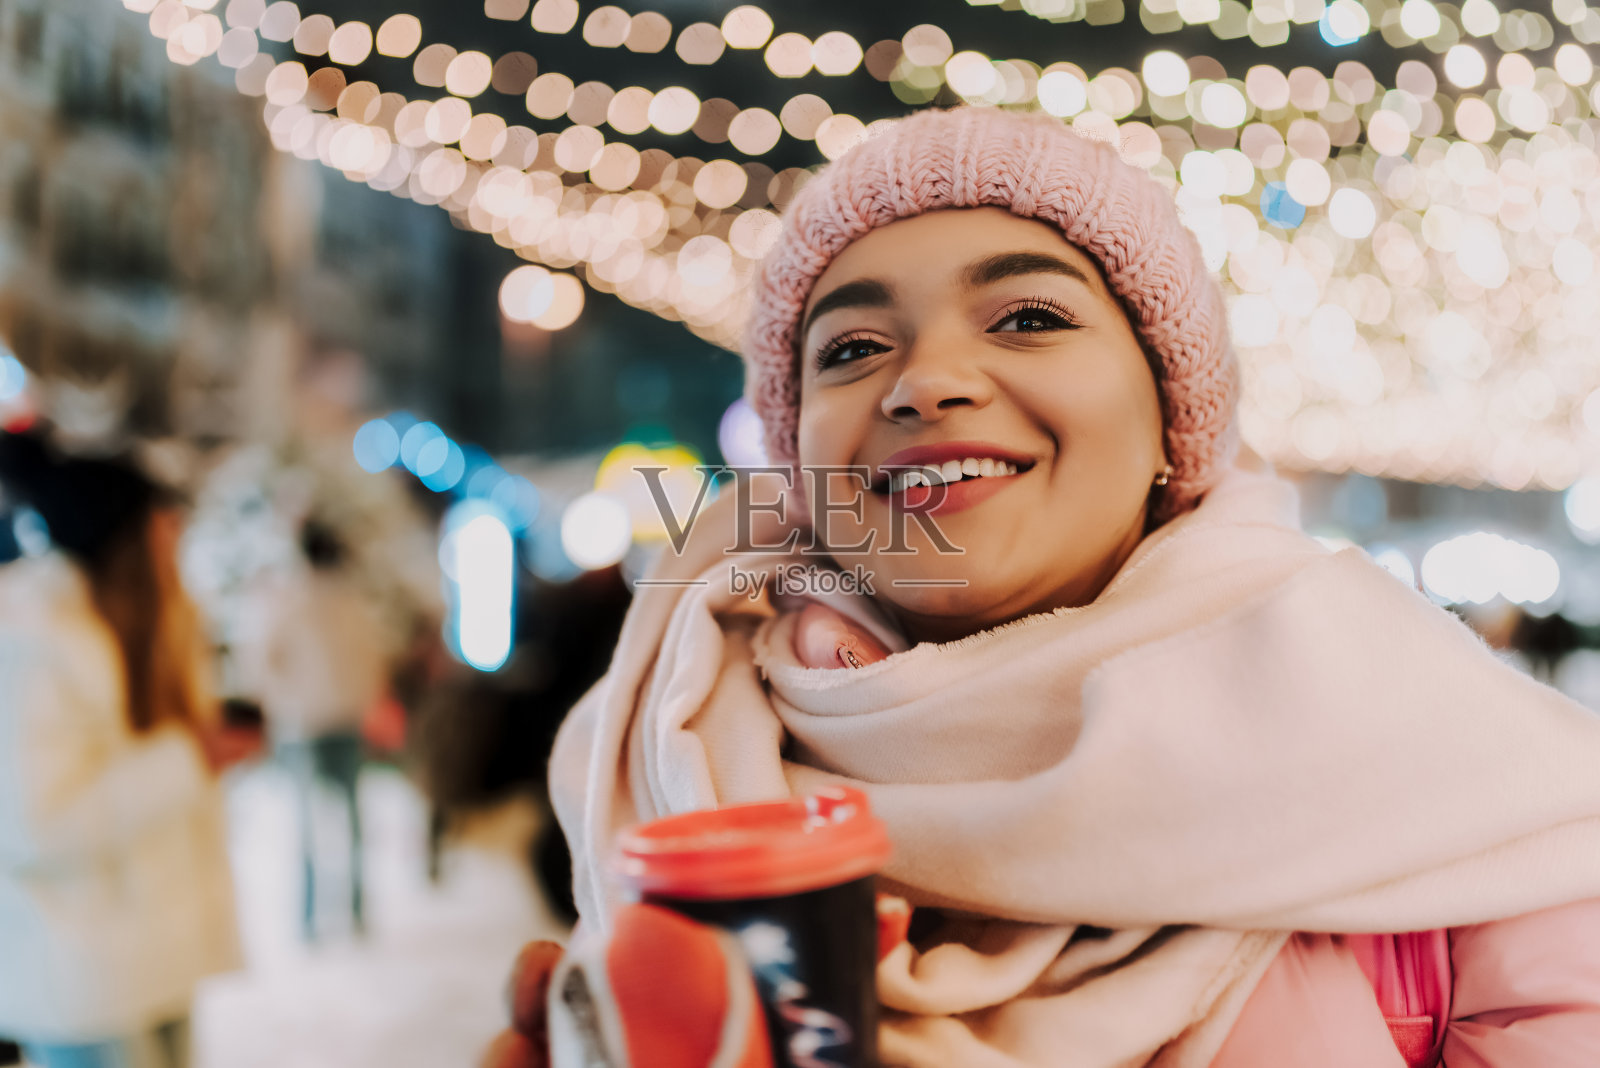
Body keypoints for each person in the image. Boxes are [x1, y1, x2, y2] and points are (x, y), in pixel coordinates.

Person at [493, 107, 1600, 1066]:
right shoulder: (677, 750)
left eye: (1028, 317)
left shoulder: (1463, 789)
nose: (925, 381)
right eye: (849, 349)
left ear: (1171, 413)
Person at [0, 429, 256, 1068]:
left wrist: (206, 751)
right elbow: (34, 826)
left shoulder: (149, 627)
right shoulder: (35, 641)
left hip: (155, 958)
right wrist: (187, 757)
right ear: (126, 536)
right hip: (81, 973)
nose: (176, 534)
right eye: (162, 520)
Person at [238, 518, 386, 941]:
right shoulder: (352, 603)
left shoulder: (290, 601)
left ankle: (308, 921)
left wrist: (282, 701)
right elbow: (372, 661)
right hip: (342, 720)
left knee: (307, 828)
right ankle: (354, 912)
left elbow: (262, 659)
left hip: (304, 724)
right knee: (351, 823)